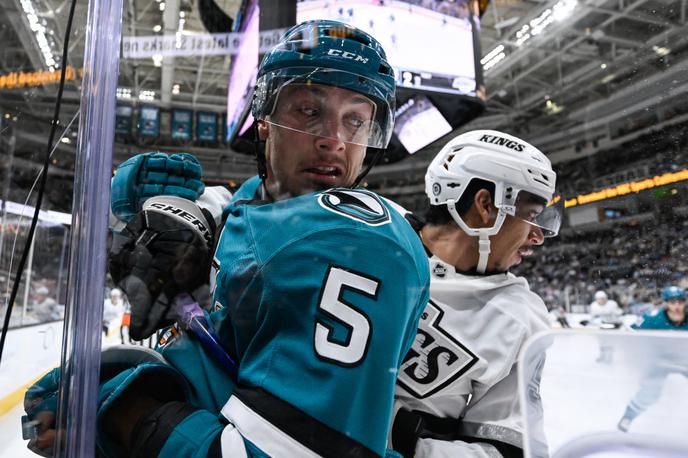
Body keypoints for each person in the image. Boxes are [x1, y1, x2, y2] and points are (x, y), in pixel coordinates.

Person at [24, 20, 430, 458]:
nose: (334, 141)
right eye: (309, 112)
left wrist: (122, 411)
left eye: (355, 120)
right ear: (264, 123)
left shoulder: (360, 241)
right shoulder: (244, 213)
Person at [389, 130, 563, 458]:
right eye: (532, 216)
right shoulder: (372, 233)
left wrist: (396, 437)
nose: (538, 237)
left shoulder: (520, 316)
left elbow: (504, 451)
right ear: (487, 205)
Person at [617, 286, 688, 432]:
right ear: (666, 303)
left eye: (680, 302)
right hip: (659, 361)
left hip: (684, 360)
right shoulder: (654, 318)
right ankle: (628, 417)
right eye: (673, 302)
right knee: (650, 390)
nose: (677, 306)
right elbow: (631, 332)